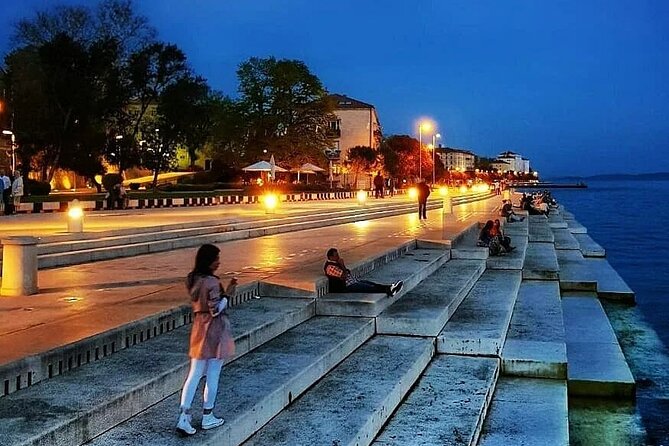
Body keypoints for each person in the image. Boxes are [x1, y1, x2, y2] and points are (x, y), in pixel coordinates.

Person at [176, 244, 237, 436]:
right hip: (214, 330)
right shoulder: (211, 282)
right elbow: (216, 309)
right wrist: (228, 293)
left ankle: (184, 416)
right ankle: (208, 415)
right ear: (209, 261)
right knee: (213, 374)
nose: (219, 262)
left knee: (194, 373)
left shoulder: (193, 279)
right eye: (216, 259)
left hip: (199, 328)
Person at [324, 248, 403, 296]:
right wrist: (342, 265)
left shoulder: (335, 264)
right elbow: (344, 276)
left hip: (352, 282)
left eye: (338, 254)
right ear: (331, 257)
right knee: (369, 288)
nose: (338, 257)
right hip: (346, 287)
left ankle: (390, 288)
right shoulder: (330, 267)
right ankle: (389, 290)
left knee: (372, 284)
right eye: (336, 255)